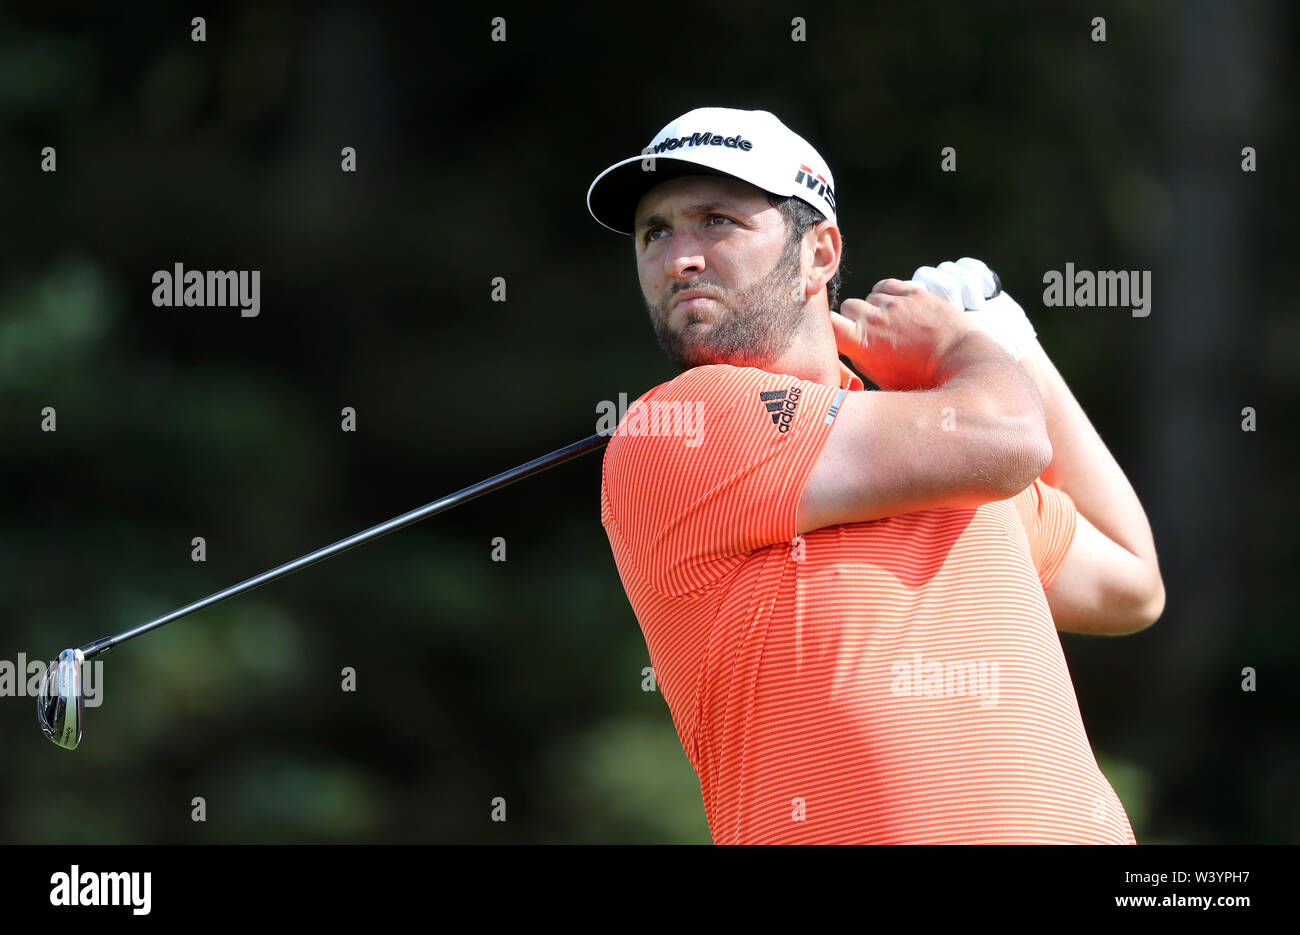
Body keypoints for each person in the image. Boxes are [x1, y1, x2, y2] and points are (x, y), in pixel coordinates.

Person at [586, 107, 1165, 844]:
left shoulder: (947, 452)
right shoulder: (686, 425)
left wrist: (1017, 345)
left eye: (717, 221)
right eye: (654, 232)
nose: (680, 258)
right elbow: (1010, 434)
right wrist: (965, 348)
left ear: (819, 252)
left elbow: (1132, 581)